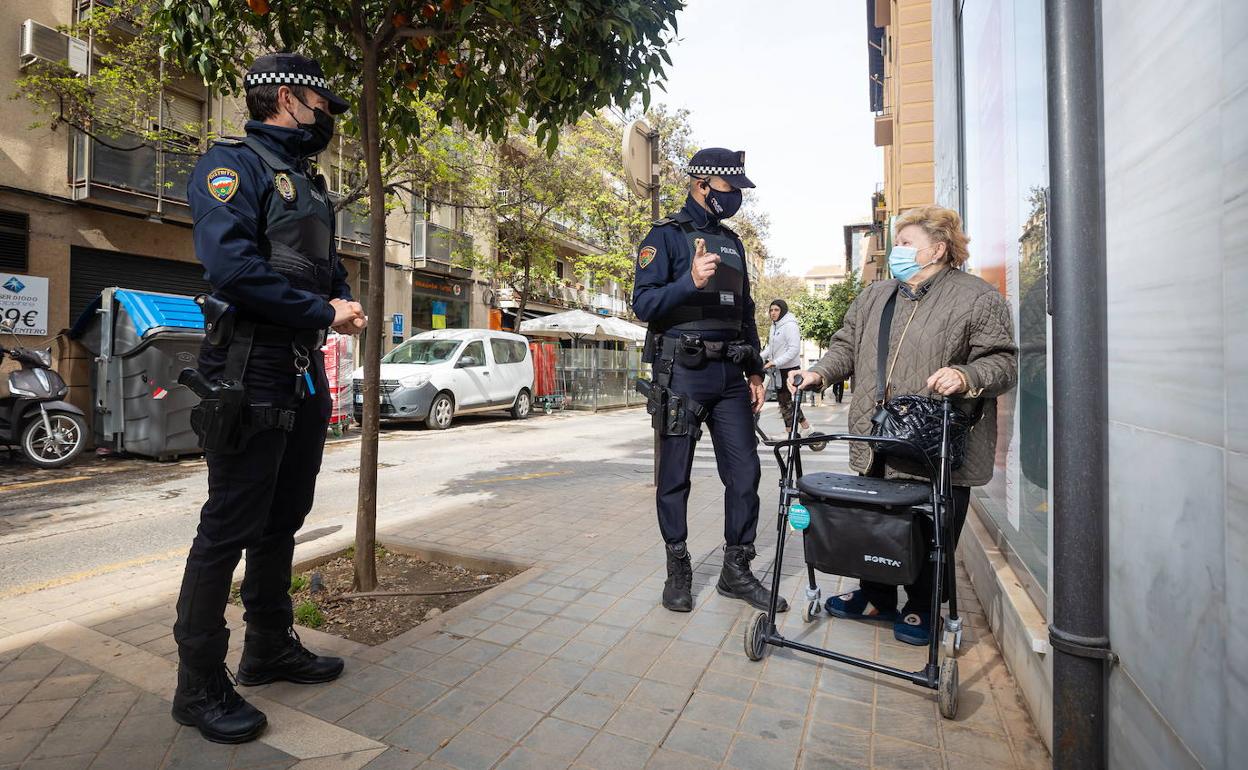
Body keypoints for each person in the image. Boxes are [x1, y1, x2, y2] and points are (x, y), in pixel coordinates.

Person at [171, 53, 366, 743]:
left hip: (297, 369)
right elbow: (233, 268)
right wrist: (324, 313)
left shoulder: (308, 186)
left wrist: (338, 299)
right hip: (248, 366)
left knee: (284, 515)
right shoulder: (234, 168)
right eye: (323, 108)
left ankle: (267, 645)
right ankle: (197, 684)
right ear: (288, 97)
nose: (328, 124)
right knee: (229, 524)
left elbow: (321, 268)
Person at [789, 205, 1017, 645]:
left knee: (930, 530)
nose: (898, 250)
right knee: (874, 521)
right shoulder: (876, 296)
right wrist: (818, 373)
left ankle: (922, 606)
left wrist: (967, 375)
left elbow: (1003, 362)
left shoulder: (976, 297)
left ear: (939, 249)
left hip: (935, 440)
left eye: (907, 242)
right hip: (878, 435)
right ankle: (876, 596)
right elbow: (845, 347)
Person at [633, 148, 786, 615]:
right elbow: (643, 304)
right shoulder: (666, 237)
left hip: (730, 376)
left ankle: (735, 570)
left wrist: (756, 368)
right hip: (683, 372)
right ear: (702, 184)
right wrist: (688, 284)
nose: (737, 196)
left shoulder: (732, 243)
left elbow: (745, 311)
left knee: (746, 473)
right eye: (730, 189)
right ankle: (678, 569)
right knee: (674, 477)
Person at [760, 299, 811, 433]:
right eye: (771, 310)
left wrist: (775, 362)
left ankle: (795, 431)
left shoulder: (789, 325)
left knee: (787, 402)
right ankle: (804, 428)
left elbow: (794, 349)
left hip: (790, 370)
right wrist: (759, 356)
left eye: (776, 310)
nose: (773, 313)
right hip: (780, 369)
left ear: (782, 310)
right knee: (784, 402)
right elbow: (772, 347)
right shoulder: (775, 325)